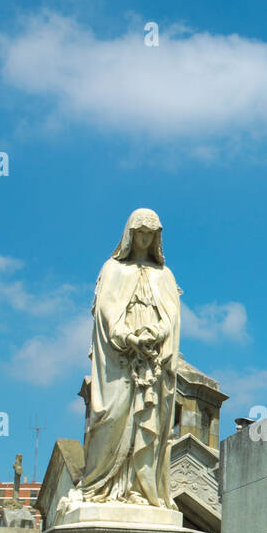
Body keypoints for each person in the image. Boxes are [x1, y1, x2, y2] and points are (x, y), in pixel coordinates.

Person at [78, 208, 181, 507]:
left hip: (152, 361)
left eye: (151, 234)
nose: (145, 239)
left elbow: (172, 317)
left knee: (147, 423)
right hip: (120, 358)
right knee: (110, 415)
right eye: (140, 233)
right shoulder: (113, 269)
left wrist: (156, 335)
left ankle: (139, 488)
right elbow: (107, 313)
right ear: (130, 234)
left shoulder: (165, 275)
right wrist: (129, 337)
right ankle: (98, 485)